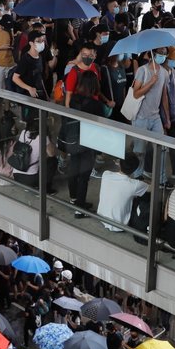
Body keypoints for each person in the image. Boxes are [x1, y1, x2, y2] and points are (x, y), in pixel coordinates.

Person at [65, 72, 105, 215]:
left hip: (73, 139)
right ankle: (80, 208)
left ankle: (73, 198)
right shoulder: (96, 105)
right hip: (88, 142)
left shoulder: (73, 99)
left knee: (74, 169)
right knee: (84, 175)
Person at [129, 47, 170, 183]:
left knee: (162, 148)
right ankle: (136, 175)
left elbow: (164, 96)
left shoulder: (164, 73)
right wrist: (151, 83)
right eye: (160, 53)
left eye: (165, 53)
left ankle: (161, 179)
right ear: (153, 54)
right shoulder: (142, 70)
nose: (163, 56)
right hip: (141, 117)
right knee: (139, 151)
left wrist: (167, 118)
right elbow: (136, 94)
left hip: (156, 117)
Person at [97, 154, 148, 232]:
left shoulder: (106, 174)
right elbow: (150, 188)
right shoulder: (135, 184)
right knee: (144, 197)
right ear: (135, 169)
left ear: (119, 164)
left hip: (101, 217)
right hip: (120, 225)